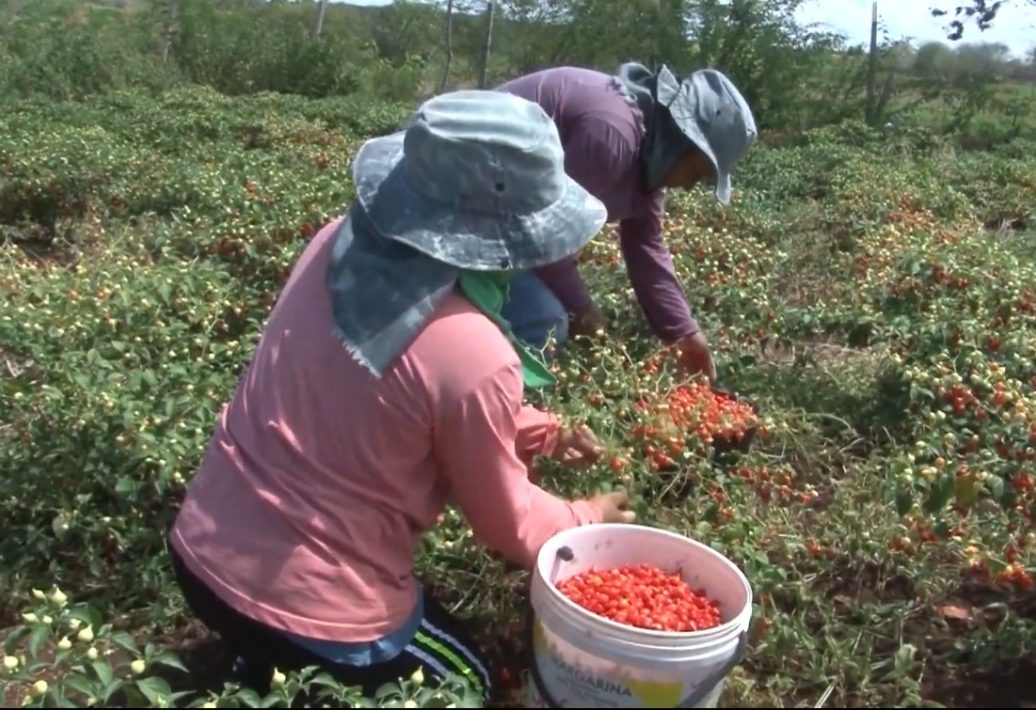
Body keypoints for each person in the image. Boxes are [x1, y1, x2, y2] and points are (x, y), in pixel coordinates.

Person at [167, 89, 636, 701]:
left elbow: (390, 400)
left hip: (198, 556)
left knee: (274, 646)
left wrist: (541, 430)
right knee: (468, 680)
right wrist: (587, 518)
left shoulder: (337, 243)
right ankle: (280, 660)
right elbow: (509, 523)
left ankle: (257, 664)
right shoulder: (475, 351)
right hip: (315, 609)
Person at [497, 63, 758, 382]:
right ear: (681, 142)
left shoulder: (648, 160)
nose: (690, 185)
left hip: (503, 213)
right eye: (696, 172)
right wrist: (581, 307)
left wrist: (685, 334)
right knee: (544, 322)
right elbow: (542, 231)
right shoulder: (612, 138)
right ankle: (489, 413)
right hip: (463, 198)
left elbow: (647, 250)